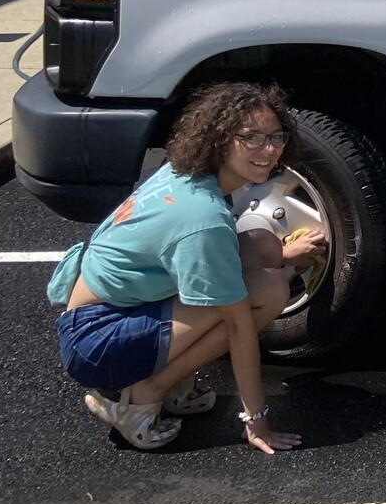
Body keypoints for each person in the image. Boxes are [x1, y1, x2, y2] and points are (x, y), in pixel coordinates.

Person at [48, 81, 328, 452]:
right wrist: (256, 420)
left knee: (263, 245)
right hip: (98, 342)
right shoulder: (202, 217)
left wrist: (283, 255)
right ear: (219, 139)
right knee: (267, 292)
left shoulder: (188, 174)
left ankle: (173, 383)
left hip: (113, 312)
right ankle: (143, 395)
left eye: (276, 136)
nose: (270, 149)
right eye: (252, 138)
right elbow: (238, 325)